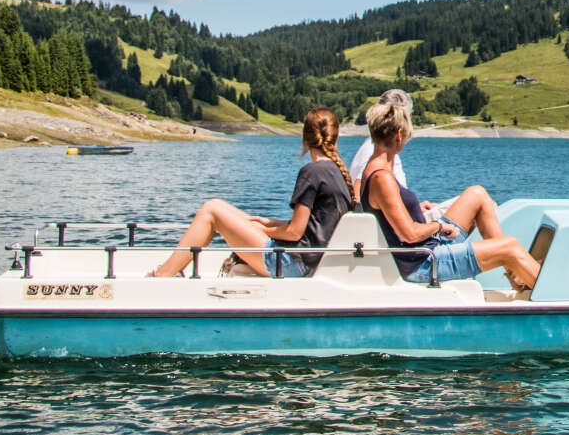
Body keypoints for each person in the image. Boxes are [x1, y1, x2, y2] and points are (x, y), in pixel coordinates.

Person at [149, 107, 352, 278]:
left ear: (305, 138)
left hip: (293, 263)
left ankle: (162, 276)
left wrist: (264, 231)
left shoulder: (313, 172)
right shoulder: (337, 172)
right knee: (223, 207)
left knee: (211, 210)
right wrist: (269, 223)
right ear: (335, 136)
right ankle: (171, 271)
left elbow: (294, 232)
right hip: (307, 261)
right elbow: (314, 226)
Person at [360, 99, 539, 293]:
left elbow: (392, 216)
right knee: (509, 247)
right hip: (423, 263)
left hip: (426, 249)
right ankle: (549, 292)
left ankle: (516, 275)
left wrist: (416, 210)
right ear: (399, 135)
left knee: (476, 194)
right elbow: (409, 234)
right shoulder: (382, 178)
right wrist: (439, 226)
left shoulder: (375, 169)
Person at [348, 88, 454, 220]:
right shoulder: (375, 152)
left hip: (402, 219)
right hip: (399, 228)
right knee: (472, 199)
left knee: (463, 202)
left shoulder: (379, 148)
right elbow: (359, 197)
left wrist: (412, 207)